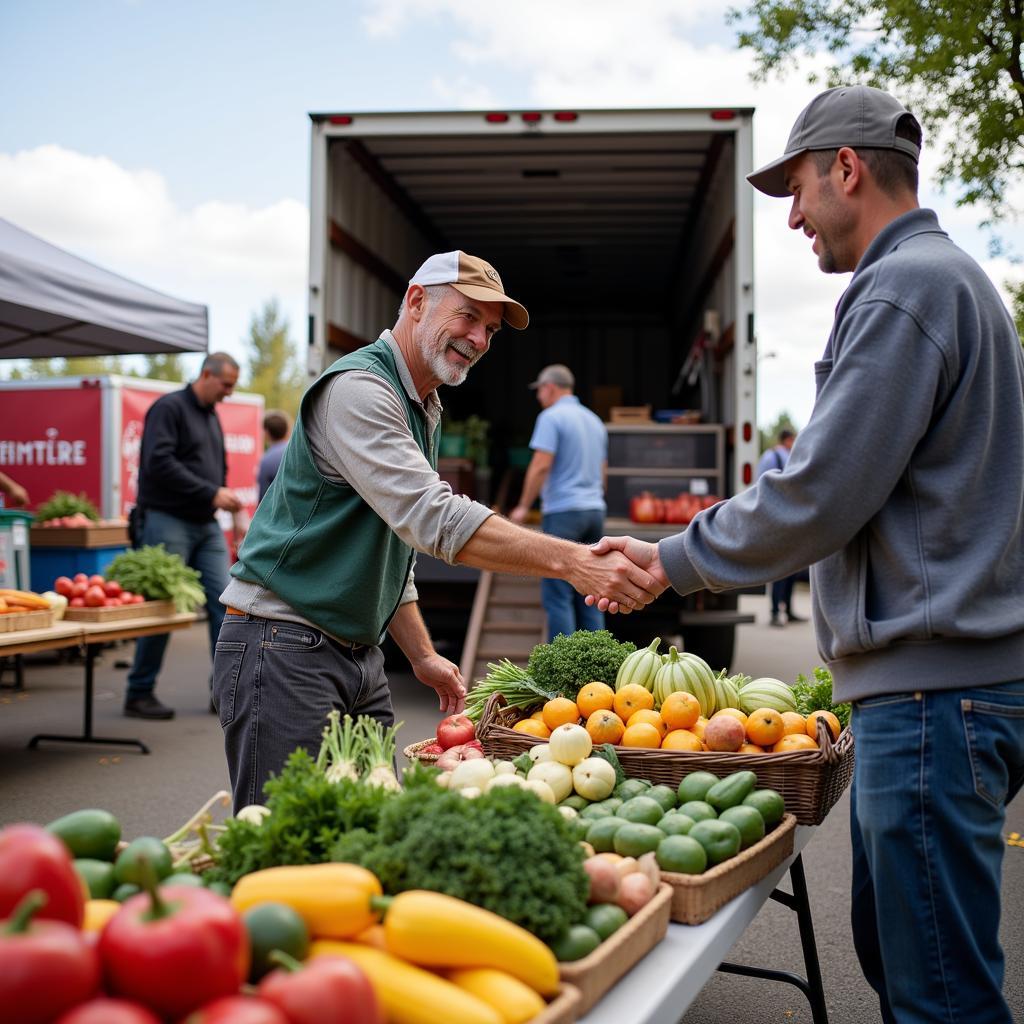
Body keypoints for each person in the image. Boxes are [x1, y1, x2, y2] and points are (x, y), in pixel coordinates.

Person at [589, 85, 1024, 1022]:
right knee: (911, 959)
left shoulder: (906, 287)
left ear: (849, 169)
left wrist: (669, 563)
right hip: (939, 689)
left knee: (940, 994)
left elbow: (820, 493)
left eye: (796, 189)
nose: (791, 217)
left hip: (933, 696)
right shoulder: (950, 283)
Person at [215, 250, 660, 811]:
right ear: (417, 301)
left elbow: (392, 546)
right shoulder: (359, 389)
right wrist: (572, 561)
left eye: (491, 331)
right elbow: (433, 518)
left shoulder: (423, 404)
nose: (478, 339)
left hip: (356, 655)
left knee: (374, 835)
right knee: (281, 846)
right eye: (468, 317)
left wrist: (421, 654)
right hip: (282, 646)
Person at [125, 352, 243, 720]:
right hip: (166, 520)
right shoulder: (169, 408)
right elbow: (158, 463)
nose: (227, 394)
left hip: (205, 523)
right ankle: (139, 692)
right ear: (206, 374)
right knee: (161, 608)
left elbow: (215, 467)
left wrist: (225, 502)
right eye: (225, 385)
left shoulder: (210, 415)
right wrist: (210, 491)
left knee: (226, 605)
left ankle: (222, 693)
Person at [509, 364, 608, 640]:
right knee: (591, 590)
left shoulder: (551, 418)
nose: (538, 396)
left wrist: (523, 507)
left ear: (550, 387)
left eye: (539, 390)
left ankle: (561, 672)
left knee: (558, 593)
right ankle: (599, 666)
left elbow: (541, 465)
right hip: (594, 510)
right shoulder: (594, 420)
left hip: (564, 513)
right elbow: (603, 471)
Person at [755, 429, 806, 627]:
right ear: (788, 439)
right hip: (776, 518)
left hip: (792, 517)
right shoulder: (771, 457)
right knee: (779, 570)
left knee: (792, 567)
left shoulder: (791, 455)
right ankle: (776, 612)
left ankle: (789, 610)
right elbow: (762, 486)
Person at [257, 410, 291, 502]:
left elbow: (263, 500)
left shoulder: (266, 461)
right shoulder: (296, 452)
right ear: (287, 430)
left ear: (266, 433)